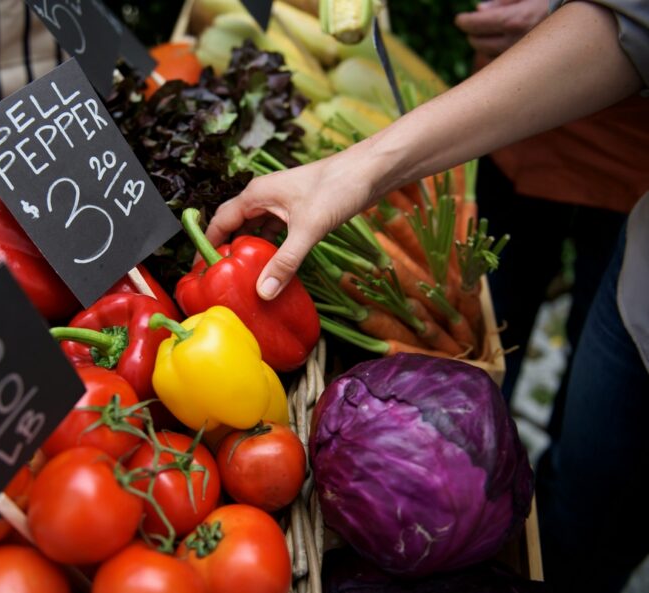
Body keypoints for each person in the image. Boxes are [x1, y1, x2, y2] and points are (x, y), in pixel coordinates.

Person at [206, 2, 649, 591]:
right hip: (640, 280)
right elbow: (631, 25)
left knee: (600, 515)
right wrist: (357, 172)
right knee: (582, 466)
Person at [455, 0, 649, 401]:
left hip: (635, 159)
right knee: (489, 323)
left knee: (604, 373)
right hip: (518, 121)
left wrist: (561, 15)